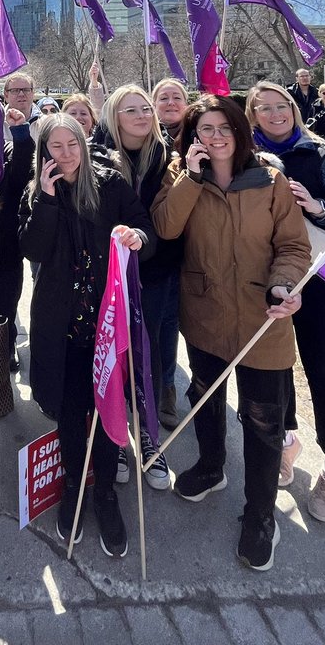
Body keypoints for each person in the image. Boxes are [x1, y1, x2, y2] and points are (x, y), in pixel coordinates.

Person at [151, 96, 310, 572]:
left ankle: (260, 515)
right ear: (193, 136)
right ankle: (210, 465)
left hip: (265, 317)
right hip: (205, 312)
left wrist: (285, 283)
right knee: (204, 395)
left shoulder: (269, 178)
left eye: (224, 127)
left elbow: (293, 245)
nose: (215, 137)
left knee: (264, 419)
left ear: (240, 131)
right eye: (205, 129)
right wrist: (192, 179)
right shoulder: (181, 174)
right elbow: (165, 225)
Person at [19, 114, 154, 558]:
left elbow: (146, 232)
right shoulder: (38, 192)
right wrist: (48, 198)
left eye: (71, 144)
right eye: (55, 147)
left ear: (82, 142)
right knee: (72, 413)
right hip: (63, 326)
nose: (65, 155)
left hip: (107, 324)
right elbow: (32, 249)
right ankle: (74, 486)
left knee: (107, 411)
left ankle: (106, 496)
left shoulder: (111, 184)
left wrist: (135, 236)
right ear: (45, 153)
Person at [245, 81, 325, 521]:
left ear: (294, 108)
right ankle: (287, 440)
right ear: (252, 115)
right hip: (269, 277)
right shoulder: (246, 157)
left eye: (282, 106)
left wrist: (318, 207)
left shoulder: (322, 156)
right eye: (264, 108)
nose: (275, 115)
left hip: (319, 280)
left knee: (321, 367)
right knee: (276, 364)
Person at [96, 86, 176, 489]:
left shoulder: (168, 158)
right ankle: (116, 438)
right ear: (114, 116)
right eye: (132, 109)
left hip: (154, 272)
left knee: (149, 353)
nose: (143, 115)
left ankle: (148, 438)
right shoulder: (95, 154)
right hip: (109, 277)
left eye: (147, 108)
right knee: (115, 354)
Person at [149, 79, 189, 430]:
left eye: (177, 96)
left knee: (173, 322)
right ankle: (156, 387)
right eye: (163, 97)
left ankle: (167, 387)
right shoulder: (148, 137)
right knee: (158, 320)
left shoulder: (202, 132)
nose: (171, 102)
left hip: (194, 246)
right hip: (155, 244)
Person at [0, 108, 35, 372]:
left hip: (6, 248)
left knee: (6, 304)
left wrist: (20, 132)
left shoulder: (5, 151)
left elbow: (22, 163)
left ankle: (6, 350)